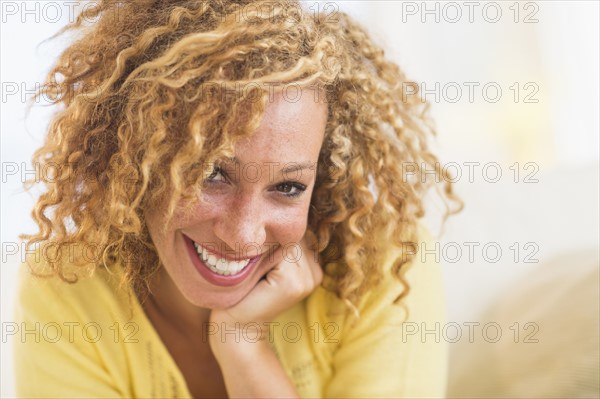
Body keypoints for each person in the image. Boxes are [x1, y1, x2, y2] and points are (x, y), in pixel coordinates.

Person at [14, 1, 459, 397]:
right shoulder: (69, 288)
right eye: (211, 174)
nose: (242, 234)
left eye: (288, 187)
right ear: (135, 156)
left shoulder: (384, 267)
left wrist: (244, 347)